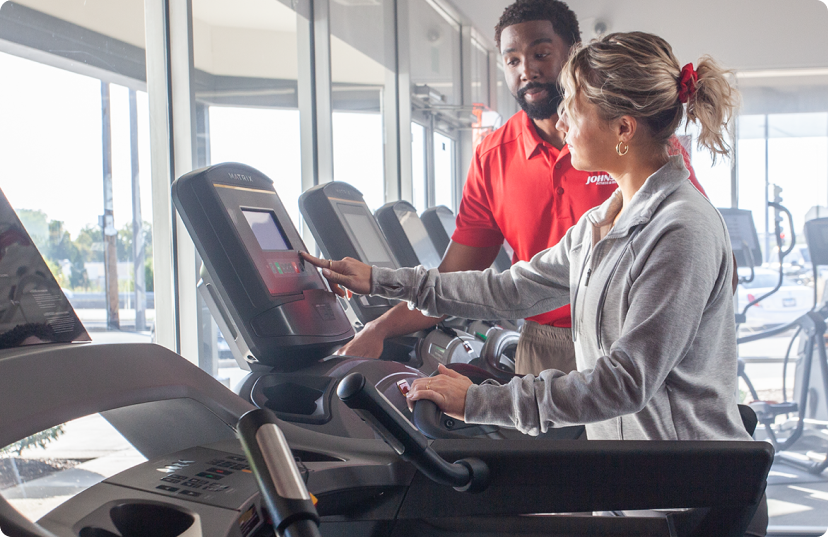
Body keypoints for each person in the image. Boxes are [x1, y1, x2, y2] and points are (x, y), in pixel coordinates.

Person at [303, 31, 766, 535]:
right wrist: (381, 280)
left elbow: (624, 381)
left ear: (623, 128)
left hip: (693, 494)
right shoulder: (601, 222)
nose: (561, 120)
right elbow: (508, 290)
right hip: (639, 483)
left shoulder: (681, 229)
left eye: (575, 105)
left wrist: (479, 402)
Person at [334, 0, 705, 376]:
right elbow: (499, 288)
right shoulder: (495, 157)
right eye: (512, 60)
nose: (526, 71)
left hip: (630, 340)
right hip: (543, 345)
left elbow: (694, 263)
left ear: (576, 57)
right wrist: (379, 323)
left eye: (541, 53)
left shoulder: (640, 147)